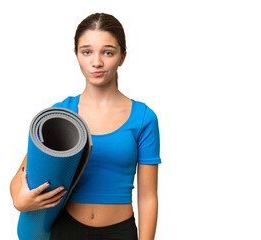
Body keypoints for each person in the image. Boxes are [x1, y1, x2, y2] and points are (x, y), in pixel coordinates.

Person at [10, 13, 161, 240]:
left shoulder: (143, 118)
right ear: (77, 55)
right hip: (67, 230)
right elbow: (23, 176)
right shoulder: (62, 113)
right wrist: (20, 200)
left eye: (107, 52)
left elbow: (148, 197)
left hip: (120, 231)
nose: (96, 62)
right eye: (87, 52)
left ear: (123, 56)